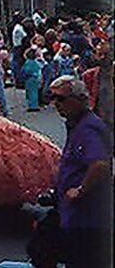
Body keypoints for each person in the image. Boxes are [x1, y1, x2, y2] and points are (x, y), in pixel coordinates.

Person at [47, 75, 112, 268]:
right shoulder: (76, 125)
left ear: (79, 99)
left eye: (61, 98)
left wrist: (81, 189)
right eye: (52, 97)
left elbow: (100, 164)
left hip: (87, 218)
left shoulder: (87, 128)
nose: (56, 104)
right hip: (76, 215)